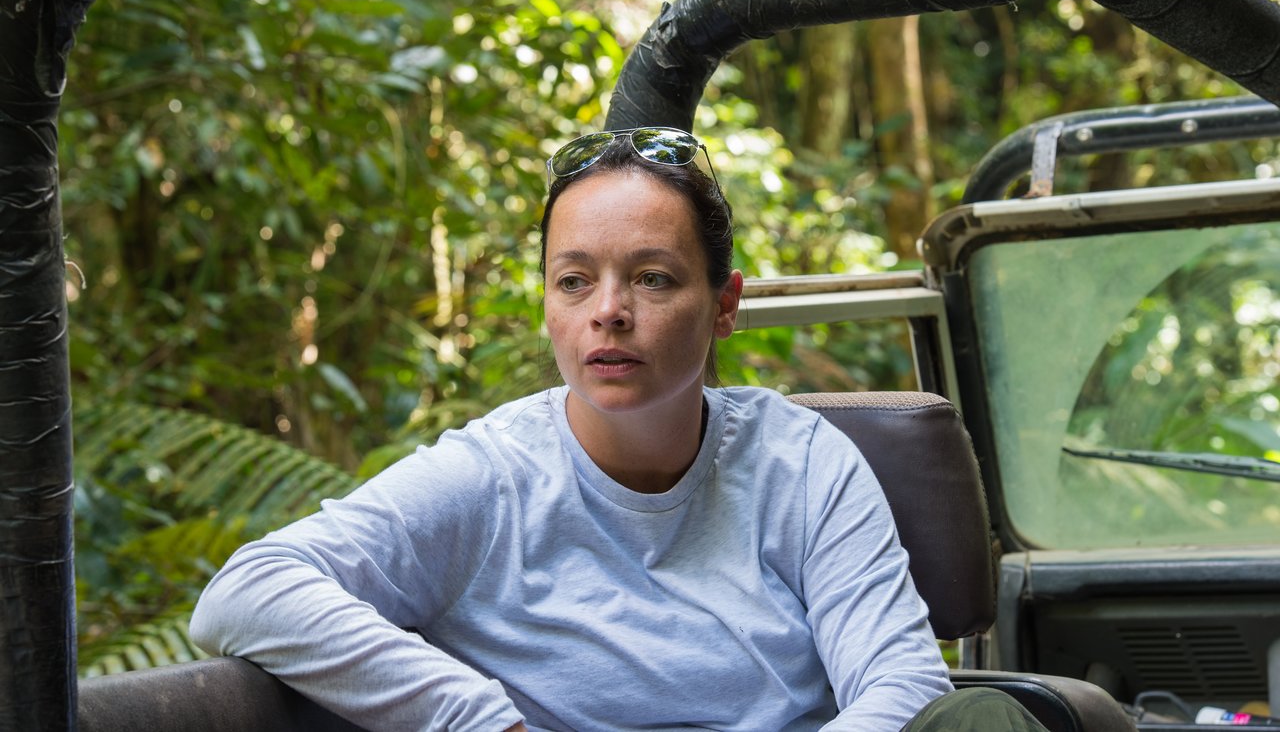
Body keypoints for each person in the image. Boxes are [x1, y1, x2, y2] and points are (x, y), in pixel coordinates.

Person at [189, 127, 1047, 731]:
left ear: (724, 305)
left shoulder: (800, 461)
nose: (608, 312)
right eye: (574, 281)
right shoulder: (492, 477)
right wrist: (478, 717)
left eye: (652, 278)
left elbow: (901, 679)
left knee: (982, 719)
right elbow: (249, 589)